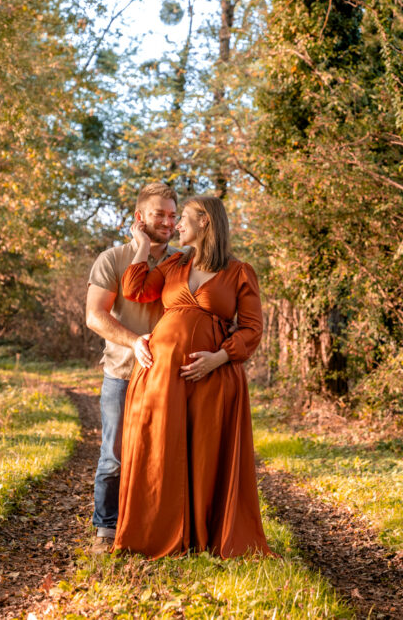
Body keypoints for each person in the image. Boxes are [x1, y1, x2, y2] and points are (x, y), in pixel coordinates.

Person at [114, 195, 272, 559]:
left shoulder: (239, 271)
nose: (176, 226)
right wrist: (140, 246)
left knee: (202, 454)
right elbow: (135, 288)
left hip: (211, 379)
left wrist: (219, 357)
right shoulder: (172, 264)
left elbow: (252, 330)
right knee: (159, 451)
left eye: (183, 218)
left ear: (205, 222)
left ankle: (201, 538)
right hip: (159, 375)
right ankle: (153, 534)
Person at [85, 183, 179, 554]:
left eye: (173, 215)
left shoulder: (183, 260)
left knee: (166, 456)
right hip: (123, 374)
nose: (168, 222)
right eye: (159, 214)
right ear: (140, 218)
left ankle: (159, 531)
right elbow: (95, 315)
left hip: (169, 377)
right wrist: (134, 341)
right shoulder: (113, 259)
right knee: (114, 457)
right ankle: (106, 532)